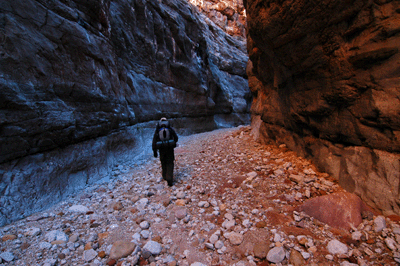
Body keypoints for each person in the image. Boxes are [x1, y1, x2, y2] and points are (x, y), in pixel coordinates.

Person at [152, 118, 178, 186]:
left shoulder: (157, 130)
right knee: (170, 162)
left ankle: (164, 176)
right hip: (169, 149)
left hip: (161, 150)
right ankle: (169, 178)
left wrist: (154, 151)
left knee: (163, 162)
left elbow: (154, 141)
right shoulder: (170, 128)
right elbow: (176, 138)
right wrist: (172, 142)